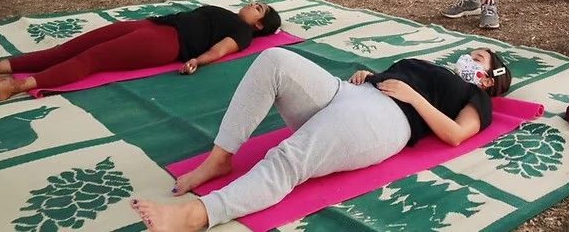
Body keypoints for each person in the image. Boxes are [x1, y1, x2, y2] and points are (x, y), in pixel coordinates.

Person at [130, 46, 511, 231]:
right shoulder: (436, 69)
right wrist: (372, 74)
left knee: (289, 156)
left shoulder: (476, 98)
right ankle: (220, 156)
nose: (467, 57)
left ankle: (201, 214)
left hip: (387, 119)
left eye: (478, 59)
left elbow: (458, 134)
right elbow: (405, 78)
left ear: (490, 79)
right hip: (353, 93)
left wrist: (413, 98)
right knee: (274, 60)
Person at [0, 2, 281, 100]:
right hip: (153, 25)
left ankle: (15, 87)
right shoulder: (232, 15)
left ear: (259, 26)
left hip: (166, 43)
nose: (253, 5)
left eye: (259, 9)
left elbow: (220, 50)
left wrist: (198, 59)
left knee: (91, 59)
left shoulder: (241, 32)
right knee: (72, 46)